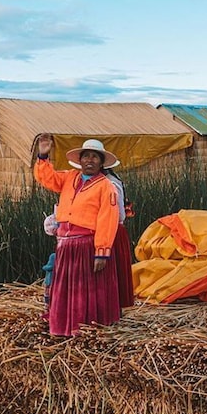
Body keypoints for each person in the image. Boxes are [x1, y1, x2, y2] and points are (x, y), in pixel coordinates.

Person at [34, 134, 121, 336]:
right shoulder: (69, 177)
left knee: (85, 290)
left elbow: (108, 219)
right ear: (79, 160)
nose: (89, 160)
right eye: (86, 156)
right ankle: (64, 326)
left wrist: (102, 251)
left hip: (87, 244)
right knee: (66, 288)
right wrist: (43, 156)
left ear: (101, 163)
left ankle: (84, 327)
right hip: (65, 243)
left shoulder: (105, 186)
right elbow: (47, 178)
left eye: (94, 157)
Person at [103, 161, 135, 310]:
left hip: (112, 231)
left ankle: (113, 309)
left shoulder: (110, 183)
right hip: (105, 231)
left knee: (112, 272)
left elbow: (119, 214)